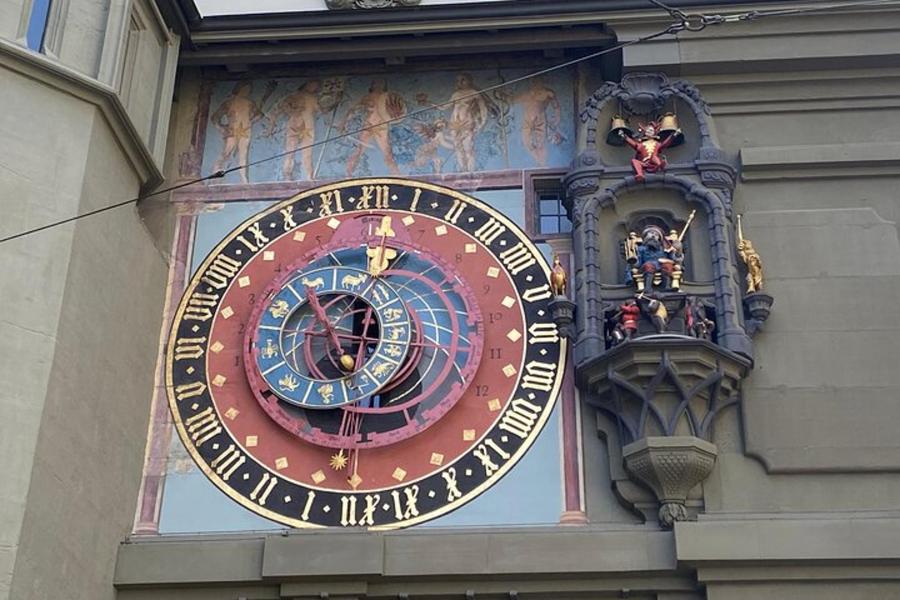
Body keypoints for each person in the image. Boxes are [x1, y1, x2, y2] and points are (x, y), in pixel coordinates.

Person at [211, 81, 271, 183]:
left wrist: (250, 122)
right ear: (239, 88)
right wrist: (221, 128)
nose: (246, 91)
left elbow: (259, 114)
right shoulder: (229, 102)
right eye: (245, 89)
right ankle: (215, 172)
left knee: (243, 155)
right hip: (232, 131)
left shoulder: (249, 103)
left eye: (248, 90)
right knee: (226, 153)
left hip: (245, 132)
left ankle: (244, 179)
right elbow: (215, 117)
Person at [342, 79, 405, 176]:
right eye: (376, 83)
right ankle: (348, 174)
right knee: (359, 150)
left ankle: (397, 175)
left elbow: (398, 111)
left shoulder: (387, 98)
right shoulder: (367, 97)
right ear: (372, 86)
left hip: (381, 127)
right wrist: (344, 122)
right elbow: (353, 109)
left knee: (388, 153)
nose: (378, 85)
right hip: (369, 126)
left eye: (381, 83)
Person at [265, 80, 322, 181]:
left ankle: (309, 177)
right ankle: (287, 176)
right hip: (294, 127)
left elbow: (321, 110)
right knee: (290, 153)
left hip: (308, 128)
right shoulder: (294, 95)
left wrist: (331, 103)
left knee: (307, 154)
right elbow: (277, 110)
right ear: (307, 84)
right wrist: (271, 127)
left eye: (316, 86)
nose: (314, 87)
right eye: (313, 84)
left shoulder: (313, 98)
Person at [514, 76, 562, 166]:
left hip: (540, 119)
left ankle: (542, 163)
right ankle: (539, 161)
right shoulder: (527, 94)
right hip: (527, 121)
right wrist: (504, 97)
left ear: (541, 81)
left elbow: (556, 107)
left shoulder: (547, 93)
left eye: (537, 80)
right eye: (533, 81)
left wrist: (557, 118)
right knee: (527, 142)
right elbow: (513, 100)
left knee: (541, 142)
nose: (535, 83)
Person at [448, 73, 488, 172]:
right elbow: (444, 107)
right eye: (458, 80)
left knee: (468, 148)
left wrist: (482, 123)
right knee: (458, 149)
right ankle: (462, 170)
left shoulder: (474, 93)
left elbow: (483, 109)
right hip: (455, 124)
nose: (460, 82)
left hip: (467, 123)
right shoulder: (456, 94)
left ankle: (471, 171)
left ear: (469, 81)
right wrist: (429, 103)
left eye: (463, 80)